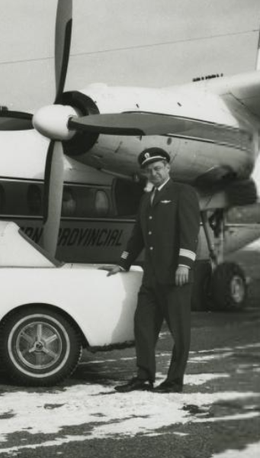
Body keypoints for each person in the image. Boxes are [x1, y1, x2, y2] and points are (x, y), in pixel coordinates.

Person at [102, 147, 200, 393]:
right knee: (143, 327)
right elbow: (137, 237)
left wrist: (184, 264)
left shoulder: (182, 192)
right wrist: (123, 262)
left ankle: (174, 381)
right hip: (152, 278)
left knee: (179, 332)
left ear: (168, 167)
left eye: (158, 168)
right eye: (149, 170)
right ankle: (144, 377)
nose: (154, 173)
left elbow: (190, 233)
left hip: (176, 275)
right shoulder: (147, 199)